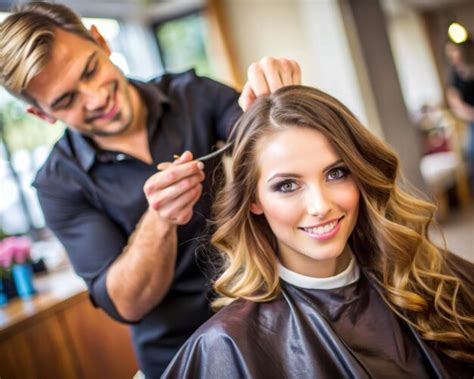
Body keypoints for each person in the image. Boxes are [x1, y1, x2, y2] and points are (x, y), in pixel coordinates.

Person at [0, 2, 301, 376]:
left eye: (90, 71)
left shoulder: (194, 95)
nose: (95, 99)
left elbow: (272, 144)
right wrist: (159, 220)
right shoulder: (58, 185)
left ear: (100, 43)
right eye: (66, 101)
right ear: (43, 114)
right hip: (181, 358)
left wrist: (282, 105)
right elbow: (127, 304)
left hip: (272, 319)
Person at [163, 86, 474, 378]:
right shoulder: (225, 347)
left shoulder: (436, 279)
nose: (319, 205)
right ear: (254, 200)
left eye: (336, 173)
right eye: (287, 185)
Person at [445, 39, 474, 189]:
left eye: (454, 50)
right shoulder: (455, 75)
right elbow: (455, 101)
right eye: (449, 52)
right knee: (471, 150)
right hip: (471, 119)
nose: (452, 55)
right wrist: (470, 113)